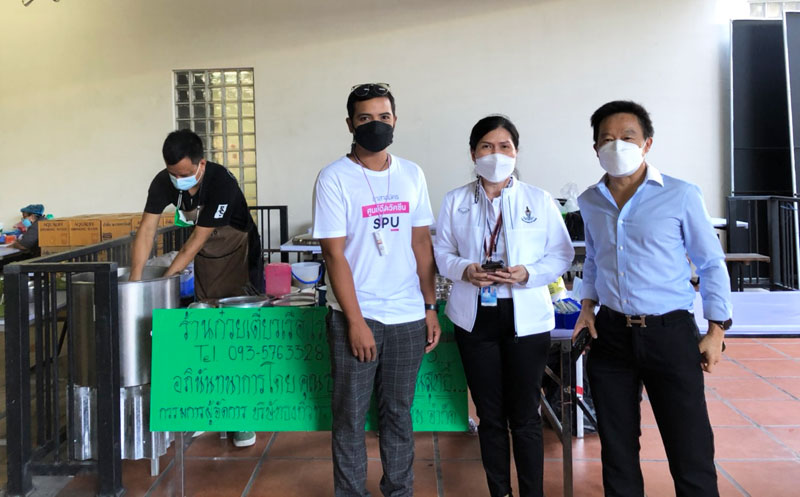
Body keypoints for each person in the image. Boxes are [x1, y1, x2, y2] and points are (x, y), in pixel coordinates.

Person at [573, 100, 732, 497]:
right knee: (617, 447)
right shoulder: (590, 201)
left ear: (646, 144)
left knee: (689, 443)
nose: (617, 145)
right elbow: (593, 259)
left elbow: (710, 263)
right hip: (610, 336)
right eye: (606, 139)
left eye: (627, 137)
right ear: (595, 148)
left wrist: (716, 330)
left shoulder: (680, 194)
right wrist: (587, 308)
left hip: (669, 332)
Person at [312, 82, 441, 497]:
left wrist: (430, 305)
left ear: (395, 122)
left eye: (383, 117)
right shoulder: (334, 178)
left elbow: (421, 243)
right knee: (349, 417)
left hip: (407, 317)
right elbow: (334, 255)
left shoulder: (412, 174)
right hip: (359, 315)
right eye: (365, 118)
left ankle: (399, 491)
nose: (375, 125)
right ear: (350, 124)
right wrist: (355, 321)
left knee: (399, 415)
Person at [434, 115, 574, 497]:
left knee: (525, 416)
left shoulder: (538, 199)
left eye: (504, 147)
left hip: (526, 319)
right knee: (491, 416)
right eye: (487, 147)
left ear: (515, 152)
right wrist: (466, 269)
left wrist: (527, 273)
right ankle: (500, 492)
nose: (496, 155)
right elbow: (441, 253)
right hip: (474, 316)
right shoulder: (455, 200)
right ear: (473, 153)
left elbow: (561, 254)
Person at [130, 128, 263, 448]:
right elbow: (146, 229)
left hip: (235, 250)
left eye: (185, 174)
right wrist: (135, 281)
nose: (179, 180)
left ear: (201, 164)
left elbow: (195, 241)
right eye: (173, 173)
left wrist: (163, 282)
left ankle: (242, 418)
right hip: (207, 257)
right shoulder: (164, 182)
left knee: (233, 329)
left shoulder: (221, 183)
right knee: (206, 326)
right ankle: (207, 408)